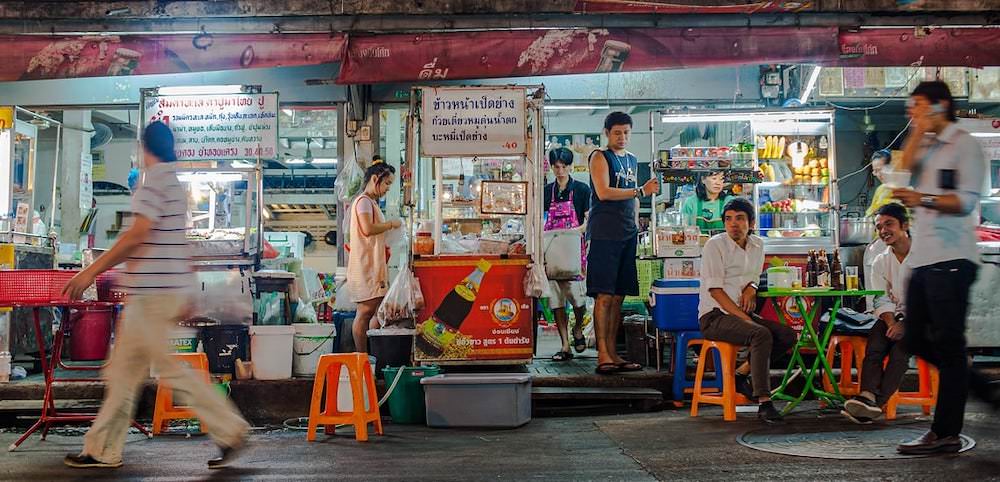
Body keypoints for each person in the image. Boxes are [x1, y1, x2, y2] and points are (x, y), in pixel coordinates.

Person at [61, 121, 249, 469]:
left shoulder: (153, 184)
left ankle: (230, 429)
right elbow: (178, 243)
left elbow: (137, 236)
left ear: (142, 147)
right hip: (162, 291)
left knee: (164, 370)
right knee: (123, 373)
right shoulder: (175, 185)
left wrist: (90, 271)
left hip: (152, 294)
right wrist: (188, 287)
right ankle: (102, 448)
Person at [892, 81, 986, 455]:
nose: (911, 112)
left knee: (948, 346)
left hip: (953, 257)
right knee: (914, 338)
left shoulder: (964, 145)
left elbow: (964, 202)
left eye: (917, 105)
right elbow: (902, 173)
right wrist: (917, 128)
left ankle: (945, 432)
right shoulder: (926, 144)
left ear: (939, 104)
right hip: (923, 259)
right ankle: (976, 383)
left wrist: (923, 198)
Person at [698, 198, 797, 423]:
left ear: (751, 223)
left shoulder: (758, 245)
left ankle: (742, 373)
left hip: (740, 314)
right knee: (760, 333)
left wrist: (751, 288)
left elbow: (753, 276)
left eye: (740, 219)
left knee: (787, 335)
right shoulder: (715, 245)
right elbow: (716, 291)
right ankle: (764, 401)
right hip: (714, 316)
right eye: (729, 219)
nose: (734, 224)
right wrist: (746, 319)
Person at [587, 112, 659, 375]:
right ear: (607, 133)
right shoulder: (599, 156)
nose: (622, 137)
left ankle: (614, 354)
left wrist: (639, 222)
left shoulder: (630, 159)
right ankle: (602, 354)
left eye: (627, 132)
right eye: (617, 132)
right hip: (605, 234)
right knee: (604, 296)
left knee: (619, 296)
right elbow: (604, 191)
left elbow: (634, 200)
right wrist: (640, 190)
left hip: (628, 234)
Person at [842, 203, 912, 424]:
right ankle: (867, 395)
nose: (883, 231)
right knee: (876, 342)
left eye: (889, 224)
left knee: (901, 351)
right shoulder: (881, 260)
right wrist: (892, 323)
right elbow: (880, 298)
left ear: (905, 225)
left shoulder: (924, 256)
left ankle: (876, 403)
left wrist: (905, 325)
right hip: (895, 316)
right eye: (879, 227)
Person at [543, 147, 592, 361]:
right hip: (552, 250)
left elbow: (588, 221)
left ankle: (578, 328)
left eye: (564, 166)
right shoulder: (547, 192)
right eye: (556, 166)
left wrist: (573, 232)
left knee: (578, 299)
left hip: (574, 249)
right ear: (552, 167)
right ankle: (565, 345)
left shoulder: (582, 190)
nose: (560, 170)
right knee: (556, 300)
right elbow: (541, 219)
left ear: (570, 166)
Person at [347, 161, 400, 354]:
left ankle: (374, 355)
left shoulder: (371, 203)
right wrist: (391, 224)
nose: (387, 189)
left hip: (373, 264)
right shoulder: (363, 202)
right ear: (375, 179)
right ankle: (362, 356)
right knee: (365, 312)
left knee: (378, 310)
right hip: (366, 265)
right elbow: (367, 228)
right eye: (387, 183)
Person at [865, 149, 896, 218]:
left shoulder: (902, 189)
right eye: (875, 171)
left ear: (891, 167)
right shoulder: (880, 189)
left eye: (879, 170)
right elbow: (869, 214)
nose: (877, 174)